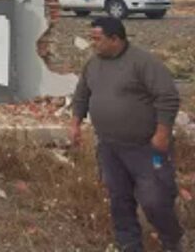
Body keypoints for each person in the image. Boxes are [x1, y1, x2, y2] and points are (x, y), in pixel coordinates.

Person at [70, 17, 183, 252]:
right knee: (119, 199)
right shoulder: (93, 64)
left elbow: (168, 97)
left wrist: (162, 134)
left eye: (97, 39)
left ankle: (172, 240)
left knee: (155, 199)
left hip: (146, 148)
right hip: (110, 148)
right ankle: (129, 244)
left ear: (115, 39)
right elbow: (81, 95)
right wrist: (75, 124)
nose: (93, 44)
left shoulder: (142, 62)